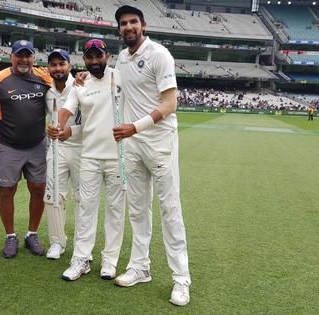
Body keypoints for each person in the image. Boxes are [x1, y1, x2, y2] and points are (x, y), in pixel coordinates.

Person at [111, 5, 191, 306]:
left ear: (143, 25)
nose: (128, 27)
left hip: (159, 142)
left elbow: (170, 103)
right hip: (133, 144)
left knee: (170, 209)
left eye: (133, 22)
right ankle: (140, 267)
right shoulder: (121, 57)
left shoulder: (159, 54)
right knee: (138, 208)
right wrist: (82, 77)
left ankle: (181, 279)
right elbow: (117, 87)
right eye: (123, 23)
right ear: (119, 29)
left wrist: (136, 126)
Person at [49, 39, 125, 281]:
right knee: (86, 210)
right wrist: (57, 125)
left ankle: (110, 261)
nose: (94, 61)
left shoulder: (120, 77)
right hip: (90, 156)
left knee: (115, 211)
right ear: (85, 60)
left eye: (98, 56)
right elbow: (67, 111)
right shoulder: (80, 84)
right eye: (89, 57)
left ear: (107, 56)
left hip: (117, 156)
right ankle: (81, 259)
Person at [0, 40, 51, 258]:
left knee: (38, 188)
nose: (24, 60)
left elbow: (65, 87)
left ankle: (32, 234)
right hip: (9, 146)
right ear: (12, 57)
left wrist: (79, 77)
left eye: (28, 56)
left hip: (37, 145)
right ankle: (10, 236)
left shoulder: (43, 77)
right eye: (20, 55)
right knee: (7, 190)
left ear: (33, 58)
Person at [43, 49, 82, 260]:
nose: (58, 68)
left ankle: (81, 243)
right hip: (57, 148)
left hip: (82, 148)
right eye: (53, 65)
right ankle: (57, 242)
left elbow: (92, 119)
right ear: (48, 68)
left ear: (69, 65)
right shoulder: (46, 90)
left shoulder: (80, 85)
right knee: (53, 194)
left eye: (62, 64)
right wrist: (49, 130)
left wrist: (72, 131)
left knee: (81, 197)